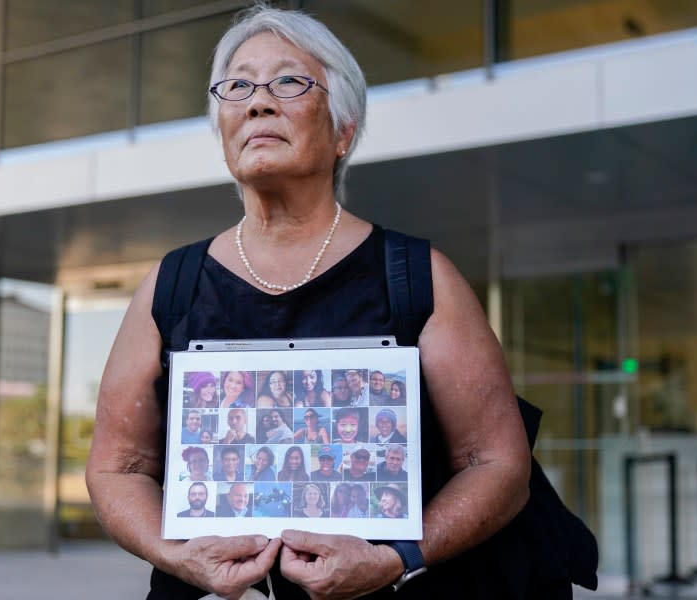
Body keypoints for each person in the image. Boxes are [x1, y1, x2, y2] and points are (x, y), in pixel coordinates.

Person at [87, 6, 536, 599]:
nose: (258, 102)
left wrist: (399, 557)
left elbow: (498, 465)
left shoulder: (419, 276)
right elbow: (116, 468)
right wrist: (177, 556)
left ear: (344, 131)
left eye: (289, 82)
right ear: (222, 126)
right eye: (238, 85)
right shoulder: (171, 283)